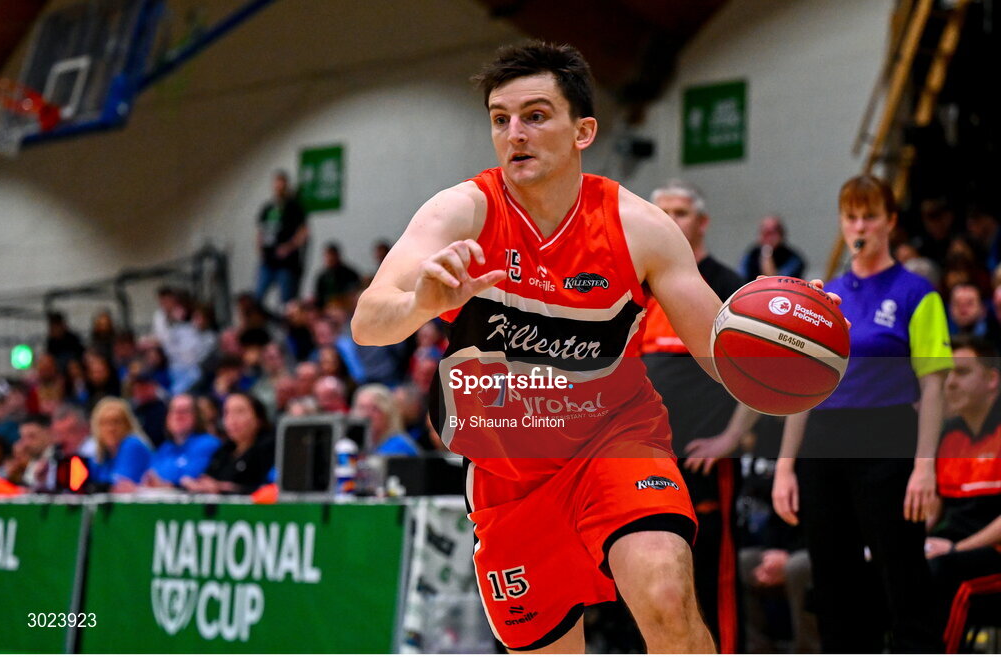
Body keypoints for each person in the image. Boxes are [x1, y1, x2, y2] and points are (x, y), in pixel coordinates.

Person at [351, 41, 837, 652]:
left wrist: (790, 340)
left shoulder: (640, 227)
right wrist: (420, 302)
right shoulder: (462, 210)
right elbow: (369, 322)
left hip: (615, 441)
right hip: (509, 475)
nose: (514, 133)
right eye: (501, 119)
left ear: (583, 131)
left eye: (535, 115)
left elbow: (722, 353)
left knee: (665, 595)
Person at [772, 174, 953, 653]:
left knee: (903, 577)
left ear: (890, 222)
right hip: (824, 445)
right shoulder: (824, 296)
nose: (860, 225)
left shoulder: (918, 293)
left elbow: (934, 389)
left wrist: (924, 467)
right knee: (832, 582)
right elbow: (801, 388)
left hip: (889, 438)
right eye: (851, 216)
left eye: (870, 215)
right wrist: (786, 467)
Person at [639, 179, 748, 651]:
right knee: (651, 581)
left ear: (702, 222)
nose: (669, 221)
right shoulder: (634, 287)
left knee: (711, 580)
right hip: (645, 463)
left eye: (680, 212)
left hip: (704, 462)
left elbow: (760, 375)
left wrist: (729, 438)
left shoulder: (725, 284)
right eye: (660, 212)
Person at [926, 335, 1001, 611]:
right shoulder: (948, 435)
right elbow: (932, 510)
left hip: (990, 552)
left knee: (938, 571)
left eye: (962, 372)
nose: (950, 383)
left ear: (992, 380)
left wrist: (958, 549)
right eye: (947, 373)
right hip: (954, 546)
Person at [181, 393, 274, 494]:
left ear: (258, 419)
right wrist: (198, 485)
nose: (232, 419)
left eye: (239, 412)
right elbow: (208, 478)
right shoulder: (224, 450)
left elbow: (271, 489)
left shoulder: (269, 450)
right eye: (227, 413)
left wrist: (228, 489)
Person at [142, 393, 222, 488]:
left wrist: (165, 484)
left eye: (184, 411)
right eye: (173, 411)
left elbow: (192, 478)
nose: (178, 416)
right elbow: (151, 476)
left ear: (197, 416)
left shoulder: (208, 443)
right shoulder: (165, 448)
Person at [256, 170, 309, 306]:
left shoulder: (294, 208)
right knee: (257, 297)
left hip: (287, 263)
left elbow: (303, 232)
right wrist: (260, 251)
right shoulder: (267, 208)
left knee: (286, 301)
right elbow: (260, 232)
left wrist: (289, 247)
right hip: (268, 261)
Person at [87, 397, 153, 492]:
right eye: (105, 423)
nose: (111, 428)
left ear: (127, 425)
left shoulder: (132, 444)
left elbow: (121, 487)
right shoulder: (102, 453)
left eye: (116, 422)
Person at [351, 383, 420, 456]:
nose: (367, 414)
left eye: (375, 409)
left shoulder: (399, 446)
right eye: (362, 408)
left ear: (388, 413)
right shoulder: (356, 445)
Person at [738, 214, 807, 280]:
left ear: (781, 234)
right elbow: (742, 279)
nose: (768, 237)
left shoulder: (793, 259)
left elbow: (779, 283)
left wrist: (767, 254)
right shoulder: (751, 255)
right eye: (765, 232)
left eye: (772, 232)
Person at [312, 242, 361, 310]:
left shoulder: (349, 274)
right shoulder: (322, 277)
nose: (329, 259)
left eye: (331, 256)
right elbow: (318, 297)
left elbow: (353, 294)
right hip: (327, 309)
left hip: (345, 308)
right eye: (327, 256)